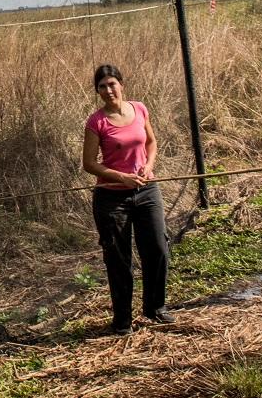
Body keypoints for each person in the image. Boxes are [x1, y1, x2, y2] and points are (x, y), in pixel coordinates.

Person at [82, 63, 173, 334]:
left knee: (157, 248)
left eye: (112, 84)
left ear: (121, 84)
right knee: (119, 259)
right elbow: (89, 164)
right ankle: (122, 320)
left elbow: (151, 142)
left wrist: (148, 166)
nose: (108, 90)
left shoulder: (139, 108)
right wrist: (120, 177)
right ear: (97, 91)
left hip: (146, 191)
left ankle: (155, 308)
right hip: (111, 198)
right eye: (102, 86)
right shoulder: (96, 122)